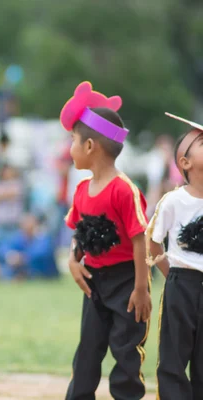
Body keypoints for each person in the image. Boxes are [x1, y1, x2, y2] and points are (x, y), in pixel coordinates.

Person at [60, 82, 151, 400]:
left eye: (72, 140)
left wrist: (141, 288)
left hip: (127, 281)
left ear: (88, 147)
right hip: (95, 283)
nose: (69, 148)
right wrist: (74, 260)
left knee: (126, 353)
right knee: (87, 352)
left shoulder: (123, 189)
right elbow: (80, 233)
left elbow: (140, 240)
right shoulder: (82, 190)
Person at [147, 114, 203, 399]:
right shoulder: (173, 200)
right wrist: (173, 275)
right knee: (173, 355)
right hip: (181, 284)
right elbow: (154, 243)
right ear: (185, 163)